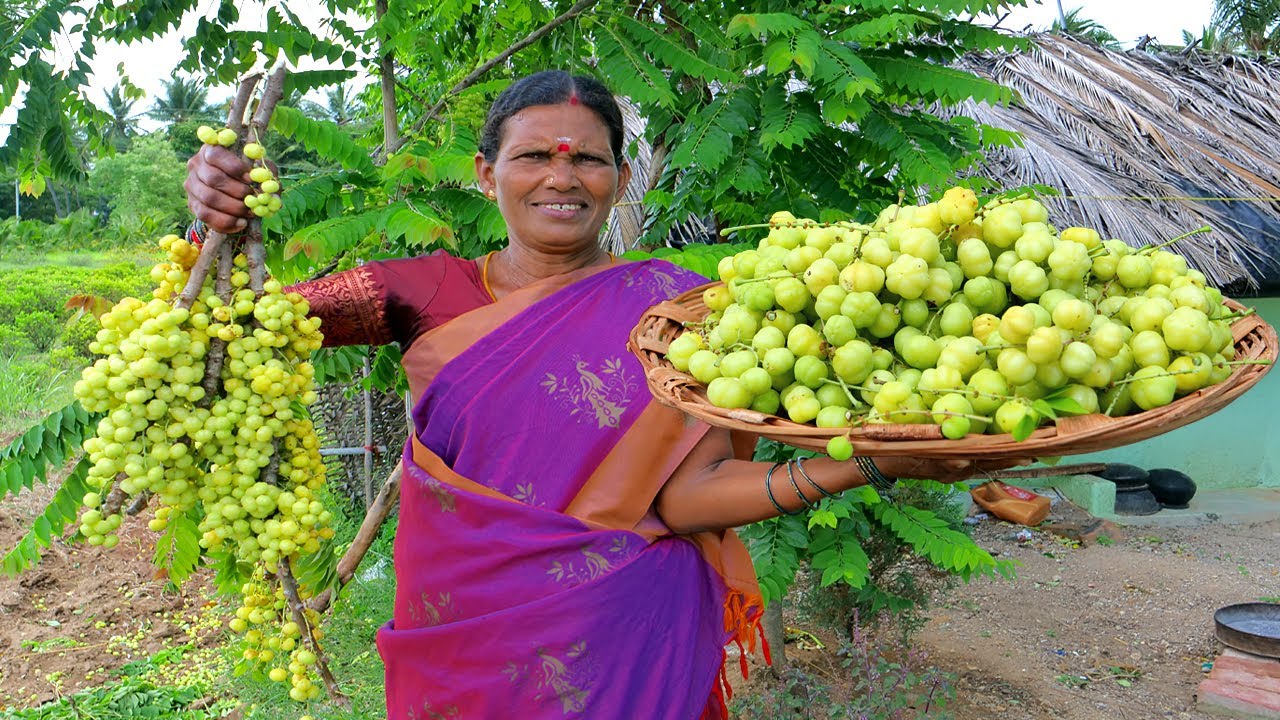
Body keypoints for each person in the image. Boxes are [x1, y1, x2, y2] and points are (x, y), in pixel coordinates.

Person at [186, 69, 1020, 720]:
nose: (563, 176)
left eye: (587, 157)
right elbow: (219, 329)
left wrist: (875, 462)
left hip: (631, 633)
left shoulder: (677, 310)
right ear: (486, 173)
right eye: (533, 156)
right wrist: (212, 224)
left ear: (620, 178)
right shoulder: (421, 292)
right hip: (467, 634)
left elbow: (690, 497)